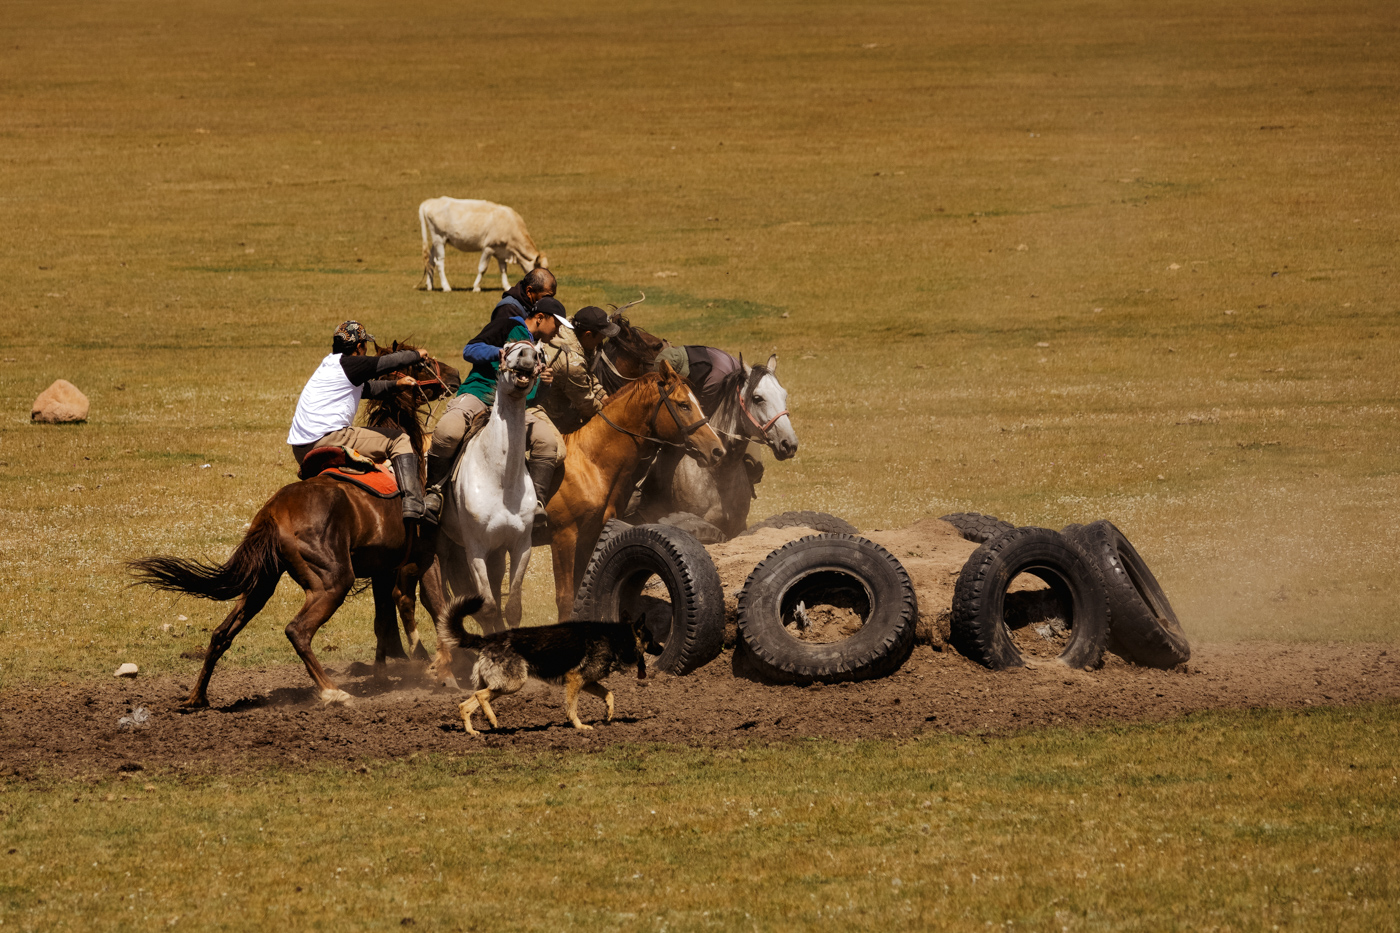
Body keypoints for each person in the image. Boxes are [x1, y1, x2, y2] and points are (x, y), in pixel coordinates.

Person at [425, 296, 572, 528]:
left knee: (547, 442)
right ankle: (434, 491)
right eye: (557, 324)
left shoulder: (538, 351)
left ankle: (536, 504)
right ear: (541, 318)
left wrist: (545, 384)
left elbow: (530, 397)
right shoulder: (508, 325)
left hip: (512, 407)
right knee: (447, 431)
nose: (559, 331)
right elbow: (470, 350)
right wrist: (500, 353)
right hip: (479, 395)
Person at [286, 321, 430, 523]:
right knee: (399, 440)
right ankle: (414, 503)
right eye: (365, 345)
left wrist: (396, 385)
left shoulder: (330, 365)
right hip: (327, 439)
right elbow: (388, 363)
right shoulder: (352, 364)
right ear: (358, 347)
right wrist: (417, 354)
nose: (366, 350)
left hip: (300, 448)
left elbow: (366, 390)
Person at [533, 305, 619, 434]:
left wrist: (603, 396)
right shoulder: (571, 362)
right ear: (588, 335)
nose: (602, 341)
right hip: (549, 415)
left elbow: (587, 374)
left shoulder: (570, 330)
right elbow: (586, 404)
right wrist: (612, 414)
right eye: (601, 337)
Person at [488, 266, 557, 324]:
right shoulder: (508, 310)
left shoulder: (533, 305)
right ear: (529, 291)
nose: (550, 301)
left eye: (552, 297)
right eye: (546, 297)